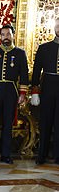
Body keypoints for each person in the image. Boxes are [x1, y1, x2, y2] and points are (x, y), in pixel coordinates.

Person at [0, 24, 29, 164]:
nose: (5, 37)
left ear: (13, 35)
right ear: (0, 36)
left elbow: (24, 76)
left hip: (11, 91)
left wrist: (22, 94)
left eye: (8, 34)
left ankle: (6, 154)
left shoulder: (20, 53)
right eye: (3, 35)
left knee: (8, 123)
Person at [30, 19, 59, 164]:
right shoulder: (44, 48)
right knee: (45, 122)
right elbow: (36, 71)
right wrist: (35, 90)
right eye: (58, 25)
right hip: (47, 86)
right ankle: (41, 155)